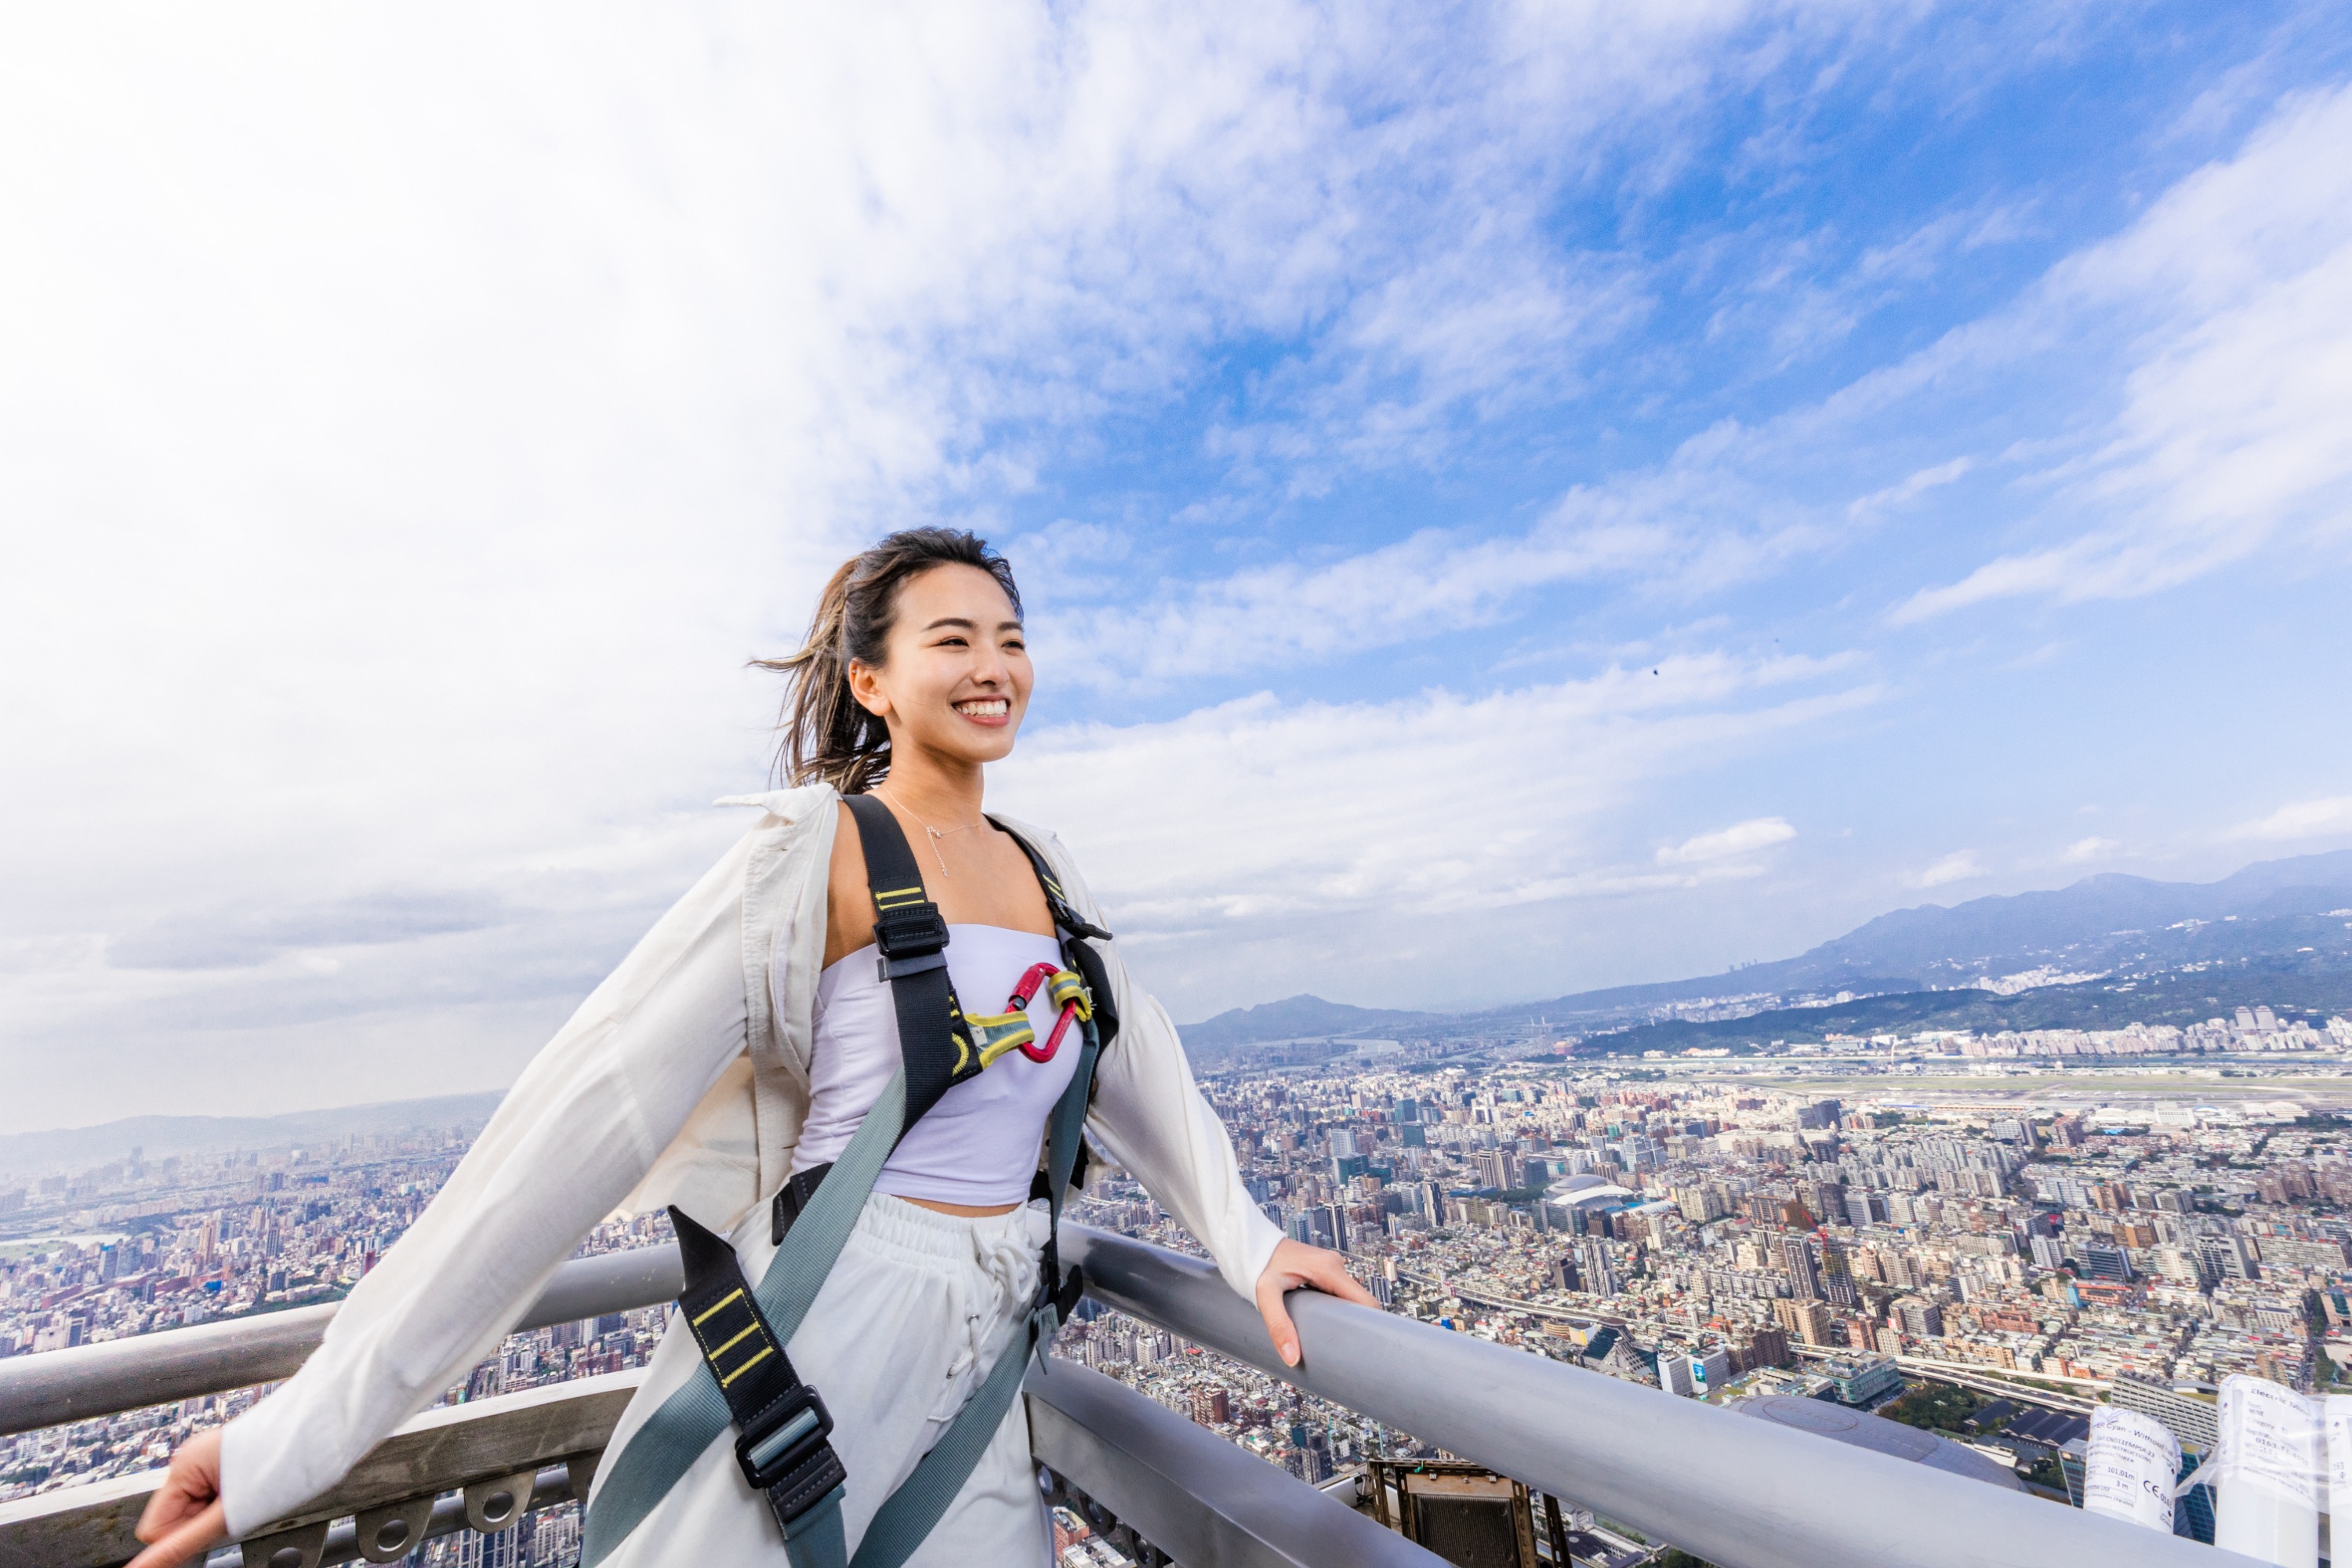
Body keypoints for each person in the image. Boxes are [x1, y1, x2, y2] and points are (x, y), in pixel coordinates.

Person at [130, 528, 1374, 1568]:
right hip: (814, 1345)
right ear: (872, 682)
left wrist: (1254, 1246)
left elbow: (1132, 1056)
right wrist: (286, 1446)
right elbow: (576, 1127)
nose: (994, 666)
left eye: (1011, 638)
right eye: (952, 640)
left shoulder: (1045, 873)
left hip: (992, 1350)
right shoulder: (808, 859)